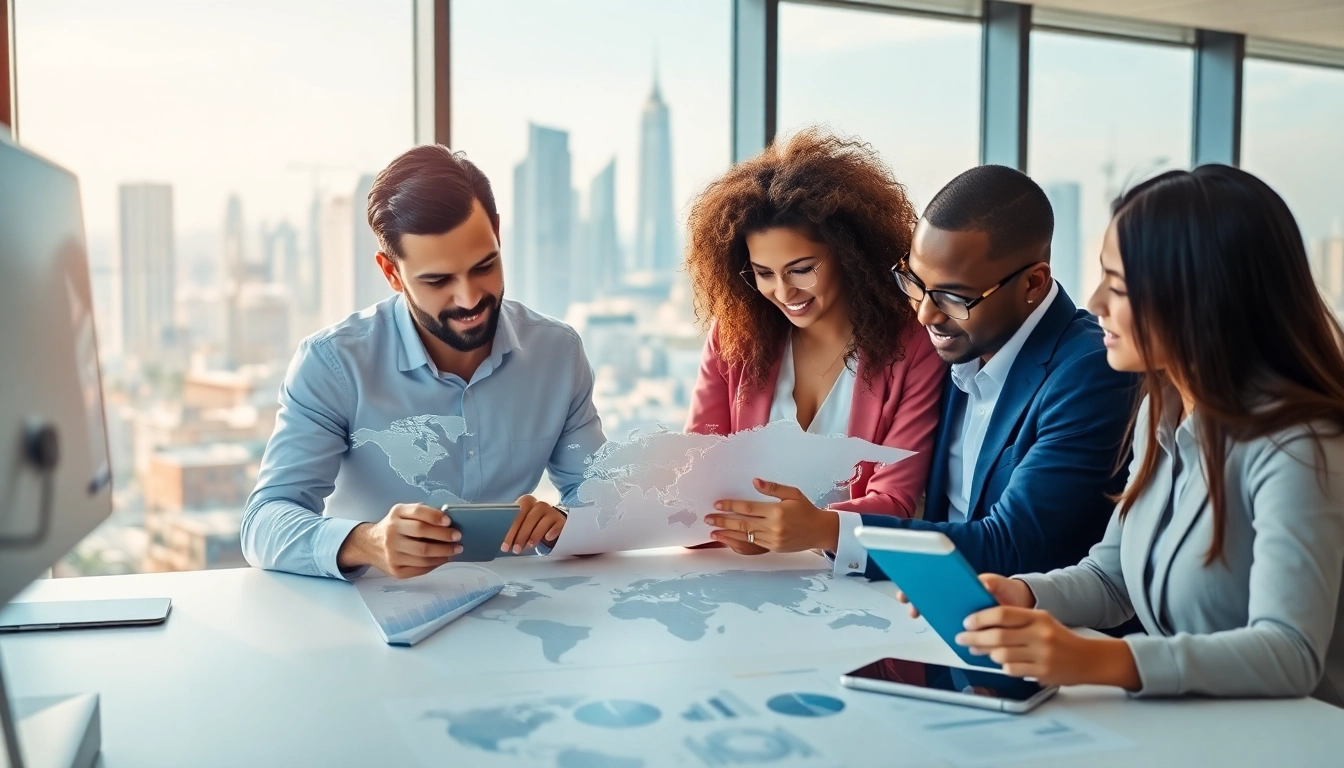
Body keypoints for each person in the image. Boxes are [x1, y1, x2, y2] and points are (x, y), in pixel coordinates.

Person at [938, 165, 1344, 704]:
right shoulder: (1161, 412)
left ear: (1201, 300)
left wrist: (1096, 659)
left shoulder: (1298, 446)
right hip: (1191, 730)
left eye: (1119, 285)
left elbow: (1290, 653)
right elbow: (1112, 580)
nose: (1097, 303)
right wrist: (1022, 594)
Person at [706, 165, 1138, 576]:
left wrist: (825, 529)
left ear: (1032, 285)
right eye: (915, 284)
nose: (926, 314)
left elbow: (1012, 545)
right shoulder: (963, 347)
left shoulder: (1091, 373)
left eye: (953, 296)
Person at [241, 145, 605, 580]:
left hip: (516, 610)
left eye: (484, 266)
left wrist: (563, 523)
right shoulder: (333, 363)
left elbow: (600, 499)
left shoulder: (557, 353)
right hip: (373, 614)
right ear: (391, 273)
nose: (470, 299)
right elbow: (263, 521)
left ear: (498, 234)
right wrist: (367, 542)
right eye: (437, 280)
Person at [683, 129, 945, 540]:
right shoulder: (734, 336)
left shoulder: (914, 346)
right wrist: (748, 534)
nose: (784, 293)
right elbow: (697, 474)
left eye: (802, 269)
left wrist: (811, 531)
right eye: (764, 274)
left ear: (849, 253)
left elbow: (896, 501)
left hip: (852, 580)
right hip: (742, 578)